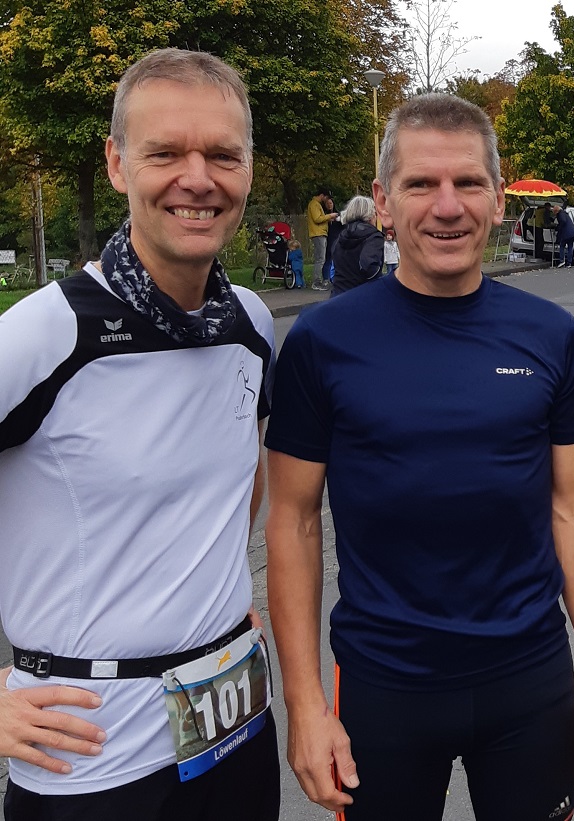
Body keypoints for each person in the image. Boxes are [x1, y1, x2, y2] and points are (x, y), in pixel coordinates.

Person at [265, 92, 574, 821]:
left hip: (528, 678)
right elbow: (293, 521)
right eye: (422, 184)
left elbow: (572, 501)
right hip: (384, 684)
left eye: (467, 183)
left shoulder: (551, 335)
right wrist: (305, 704)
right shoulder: (321, 341)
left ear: (497, 199)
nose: (447, 205)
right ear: (385, 202)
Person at [0, 48, 278, 820]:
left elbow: (236, 474)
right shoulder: (43, 334)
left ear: (248, 167)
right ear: (119, 164)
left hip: (233, 728)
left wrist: (211, 594)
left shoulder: (252, 323)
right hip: (92, 758)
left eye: (223, 154)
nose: (198, 178)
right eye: (166, 153)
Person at [329, 195, 384, 296]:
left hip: (338, 295)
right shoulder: (373, 236)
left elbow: (334, 268)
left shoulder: (340, 237)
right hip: (363, 295)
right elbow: (368, 266)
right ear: (371, 215)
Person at [306, 188, 337, 290]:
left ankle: (317, 281)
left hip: (320, 233)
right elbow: (317, 219)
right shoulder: (314, 204)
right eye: (326, 197)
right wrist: (329, 216)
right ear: (322, 195)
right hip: (318, 233)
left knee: (321, 258)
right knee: (320, 259)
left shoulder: (316, 204)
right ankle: (316, 282)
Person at [553, 203, 574, 268]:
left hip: (566, 233)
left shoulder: (560, 214)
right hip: (572, 232)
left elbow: (563, 221)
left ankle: (562, 261)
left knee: (562, 246)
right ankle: (569, 263)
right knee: (570, 247)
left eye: (554, 212)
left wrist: (558, 227)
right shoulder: (565, 213)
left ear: (556, 211)